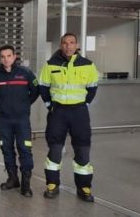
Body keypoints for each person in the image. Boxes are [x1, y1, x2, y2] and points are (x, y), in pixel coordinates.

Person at [38, 32, 99, 202]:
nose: (68, 46)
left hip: (79, 112)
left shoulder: (87, 64)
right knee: (55, 149)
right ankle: (52, 184)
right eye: (65, 43)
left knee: (82, 149)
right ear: (61, 45)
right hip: (58, 112)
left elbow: (93, 87)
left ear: (77, 45)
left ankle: (84, 187)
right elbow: (43, 86)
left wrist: (84, 104)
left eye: (72, 43)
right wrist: (50, 106)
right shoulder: (50, 64)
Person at [0, 45, 39, 197]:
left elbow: (35, 92)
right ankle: (12, 178)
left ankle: (26, 184)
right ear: (0, 58)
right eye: (2, 56)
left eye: (8, 56)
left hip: (22, 119)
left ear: (14, 56)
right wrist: (4, 106)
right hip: (4, 119)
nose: (5, 59)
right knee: (7, 149)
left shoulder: (26, 73)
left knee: (25, 149)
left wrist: (24, 105)